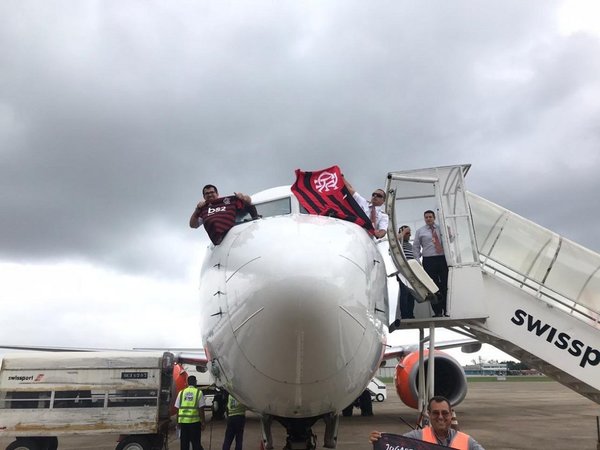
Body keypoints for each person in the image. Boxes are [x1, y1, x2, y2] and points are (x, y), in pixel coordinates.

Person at [369, 396, 485, 449]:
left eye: (444, 413)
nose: (440, 417)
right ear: (429, 414)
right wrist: (382, 440)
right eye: (435, 413)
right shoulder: (416, 437)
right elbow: (394, 446)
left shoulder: (467, 442)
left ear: (451, 414)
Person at [413, 210, 449, 317]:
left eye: (430, 217)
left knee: (445, 285)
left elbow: (450, 240)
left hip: (442, 258)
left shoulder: (441, 229)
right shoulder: (420, 231)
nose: (428, 219)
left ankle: (447, 309)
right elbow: (416, 246)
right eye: (426, 217)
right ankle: (437, 311)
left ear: (434, 218)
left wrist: (450, 233)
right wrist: (417, 262)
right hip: (429, 260)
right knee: (432, 287)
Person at [175, 375, 206, 450]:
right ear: (195, 382)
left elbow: (177, 409)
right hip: (194, 423)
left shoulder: (181, 393)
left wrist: (177, 422)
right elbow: (201, 409)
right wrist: (203, 422)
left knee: (184, 445)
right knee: (196, 444)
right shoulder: (198, 392)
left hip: (183, 423)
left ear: (187, 383)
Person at [396, 225, 415, 319]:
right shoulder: (399, 242)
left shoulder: (410, 245)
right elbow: (395, 239)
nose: (409, 235)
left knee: (412, 294)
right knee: (404, 293)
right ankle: (405, 314)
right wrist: (402, 233)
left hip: (412, 272)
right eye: (407, 233)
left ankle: (410, 314)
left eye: (409, 233)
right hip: (403, 271)